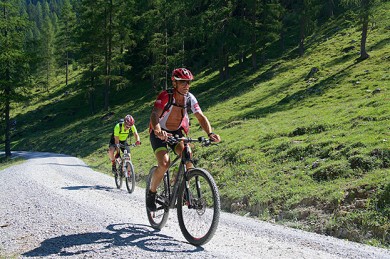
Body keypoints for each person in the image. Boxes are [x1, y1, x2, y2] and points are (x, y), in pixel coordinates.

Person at [147, 68, 221, 211]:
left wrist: (210, 133)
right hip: (159, 132)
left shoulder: (190, 98)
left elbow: (200, 116)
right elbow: (155, 114)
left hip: (176, 132)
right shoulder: (165, 96)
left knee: (187, 156)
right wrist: (157, 130)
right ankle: (152, 193)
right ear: (174, 83)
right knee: (164, 163)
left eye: (188, 82)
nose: (186, 85)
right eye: (182, 82)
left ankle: (183, 189)